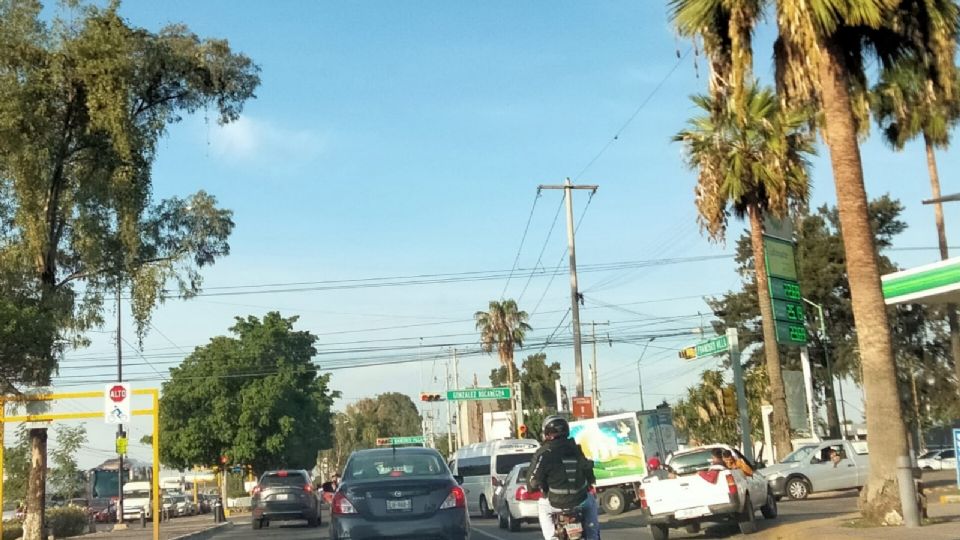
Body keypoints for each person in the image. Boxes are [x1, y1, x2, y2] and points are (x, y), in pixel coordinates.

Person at [528, 415, 600, 540]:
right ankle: (593, 537)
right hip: (580, 500)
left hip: (554, 502)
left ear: (547, 433)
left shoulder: (544, 453)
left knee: (543, 509)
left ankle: (552, 538)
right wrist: (590, 482)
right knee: (592, 505)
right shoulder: (576, 449)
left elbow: (533, 481)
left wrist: (533, 488)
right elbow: (588, 470)